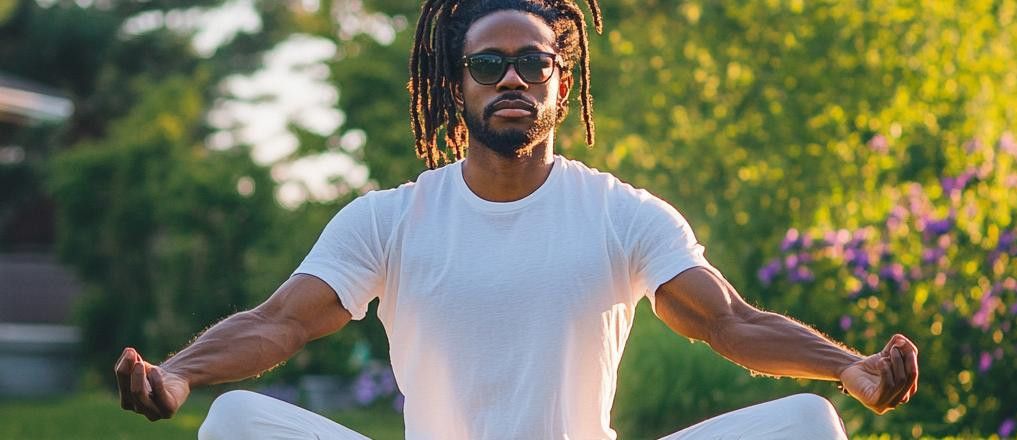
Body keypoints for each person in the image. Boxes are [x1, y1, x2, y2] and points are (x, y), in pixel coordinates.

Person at [115, 0, 919, 438]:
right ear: (455, 82)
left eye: (535, 62)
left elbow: (730, 322)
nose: (513, 77)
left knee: (809, 424)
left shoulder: (618, 212)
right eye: (488, 63)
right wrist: (182, 373)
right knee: (237, 425)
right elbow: (280, 323)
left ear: (562, 84)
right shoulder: (390, 219)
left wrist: (848, 368)